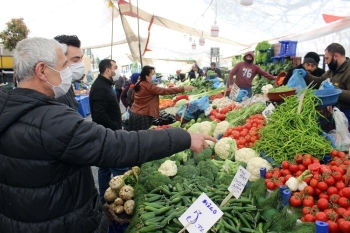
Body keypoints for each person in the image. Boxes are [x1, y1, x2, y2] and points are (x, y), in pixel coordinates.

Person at [0, 37, 215, 233]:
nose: (69, 69)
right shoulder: (50, 120)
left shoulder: (9, 109)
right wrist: (184, 138)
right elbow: (118, 146)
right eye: (64, 64)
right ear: (41, 70)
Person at [89, 59, 129, 203]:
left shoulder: (104, 85)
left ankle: (104, 200)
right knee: (119, 167)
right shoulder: (100, 87)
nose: (117, 70)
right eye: (115, 67)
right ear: (108, 70)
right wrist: (115, 128)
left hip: (106, 133)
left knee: (104, 168)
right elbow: (99, 114)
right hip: (108, 135)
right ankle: (123, 197)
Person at [129, 66, 194, 131]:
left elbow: (133, 97)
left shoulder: (139, 83)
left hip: (134, 113)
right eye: (152, 74)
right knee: (143, 136)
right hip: (142, 116)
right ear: (147, 76)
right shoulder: (148, 86)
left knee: (135, 136)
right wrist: (183, 88)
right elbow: (165, 91)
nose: (154, 75)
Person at [303, 43, 350, 122]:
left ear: (336, 56)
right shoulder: (333, 70)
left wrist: (335, 90)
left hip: (346, 115)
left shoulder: (348, 71)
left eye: (327, 58)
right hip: (335, 113)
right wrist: (305, 75)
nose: (325, 62)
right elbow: (320, 81)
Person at [54, 35, 85, 111]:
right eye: (75, 60)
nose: (81, 64)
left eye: (81, 58)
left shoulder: (66, 85)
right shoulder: (55, 92)